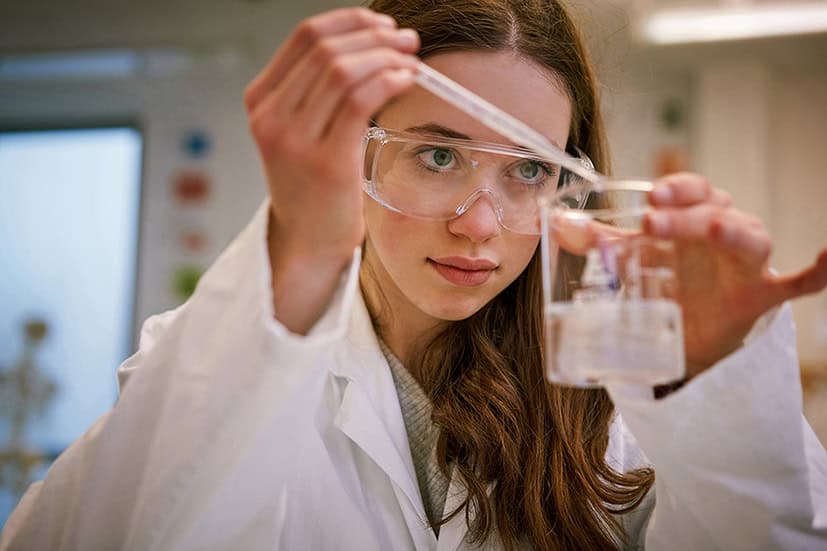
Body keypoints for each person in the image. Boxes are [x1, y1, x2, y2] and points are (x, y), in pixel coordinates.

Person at [3, 1, 827, 549]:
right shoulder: (217, 363)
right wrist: (297, 256)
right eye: (437, 156)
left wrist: (714, 402)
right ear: (353, 151)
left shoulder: (612, 399)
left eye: (527, 171)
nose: (479, 225)